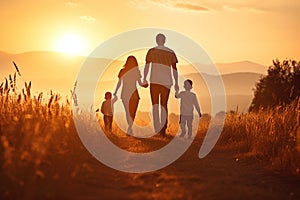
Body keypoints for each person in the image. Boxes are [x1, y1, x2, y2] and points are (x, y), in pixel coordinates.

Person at [143, 33, 179, 136]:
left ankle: (157, 128)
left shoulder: (151, 51)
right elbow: (174, 69)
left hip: (154, 81)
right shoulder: (171, 52)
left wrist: (145, 79)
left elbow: (147, 66)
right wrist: (176, 83)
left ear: (156, 40)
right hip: (167, 81)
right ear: (164, 40)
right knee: (164, 105)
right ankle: (163, 129)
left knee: (155, 105)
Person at [114, 56, 148, 135]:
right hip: (134, 95)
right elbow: (140, 83)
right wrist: (145, 85)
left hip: (125, 94)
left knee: (128, 112)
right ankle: (130, 127)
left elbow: (119, 83)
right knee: (133, 112)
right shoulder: (136, 71)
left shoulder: (122, 71)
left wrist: (115, 92)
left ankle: (129, 127)